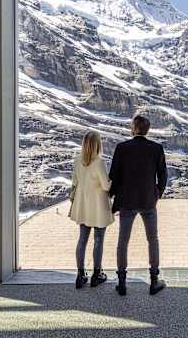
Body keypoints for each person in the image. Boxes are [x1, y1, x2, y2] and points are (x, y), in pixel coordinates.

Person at [109, 114, 168, 296]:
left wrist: (111, 197)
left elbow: (114, 176)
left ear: (133, 129)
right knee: (152, 239)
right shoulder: (156, 148)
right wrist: (157, 193)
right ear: (147, 130)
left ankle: (122, 281)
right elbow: (163, 175)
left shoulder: (122, 148)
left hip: (126, 201)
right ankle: (154, 280)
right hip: (148, 201)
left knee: (123, 241)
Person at [69, 130, 113, 289]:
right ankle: (97, 274)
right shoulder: (99, 162)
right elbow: (106, 185)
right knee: (98, 240)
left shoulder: (77, 160)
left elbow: (75, 182)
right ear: (97, 145)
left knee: (82, 240)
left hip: (83, 206)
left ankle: (80, 275)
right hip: (98, 207)